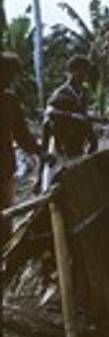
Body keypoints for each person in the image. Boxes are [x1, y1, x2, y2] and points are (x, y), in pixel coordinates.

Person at [0, 52, 50, 244]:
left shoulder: (10, 101)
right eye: (8, 75)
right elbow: (23, 136)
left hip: (4, 170)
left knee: (5, 218)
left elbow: (22, 135)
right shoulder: (9, 101)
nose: (10, 81)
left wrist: (41, 153)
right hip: (4, 169)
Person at [35, 54, 99, 192]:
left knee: (75, 181)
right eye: (82, 71)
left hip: (76, 142)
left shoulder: (82, 92)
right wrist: (73, 116)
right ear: (73, 71)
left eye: (86, 72)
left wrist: (92, 138)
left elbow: (84, 117)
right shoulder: (61, 93)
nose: (85, 75)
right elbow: (50, 113)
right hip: (60, 142)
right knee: (52, 183)